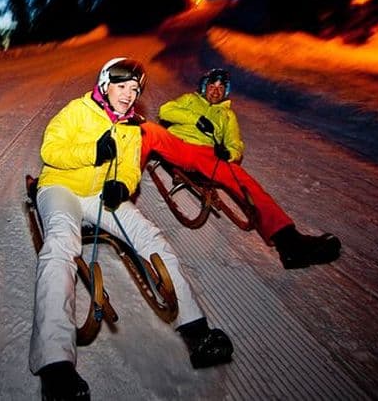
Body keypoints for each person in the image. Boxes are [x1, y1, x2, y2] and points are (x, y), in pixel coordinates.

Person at [30, 58, 233, 401]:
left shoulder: (130, 127)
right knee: (62, 245)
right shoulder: (77, 110)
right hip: (62, 187)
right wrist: (92, 152)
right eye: (121, 86)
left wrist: (122, 187)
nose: (128, 95)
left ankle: (197, 331)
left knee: (149, 236)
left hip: (99, 195)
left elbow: (129, 171)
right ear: (105, 84)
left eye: (134, 89)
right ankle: (55, 365)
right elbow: (50, 150)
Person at [141, 68, 341, 270]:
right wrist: (196, 120)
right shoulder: (189, 99)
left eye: (221, 89)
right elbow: (165, 110)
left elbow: (236, 145)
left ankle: (289, 242)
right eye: (212, 86)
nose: (216, 91)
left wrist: (228, 153)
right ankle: (121, 181)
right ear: (204, 87)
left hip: (207, 155)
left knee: (243, 181)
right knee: (145, 129)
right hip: (178, 144)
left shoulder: (227, 116)